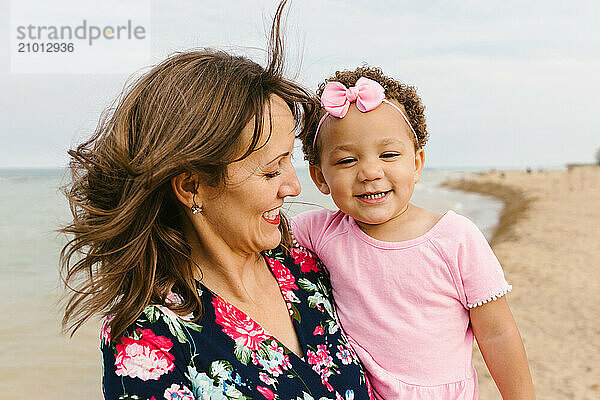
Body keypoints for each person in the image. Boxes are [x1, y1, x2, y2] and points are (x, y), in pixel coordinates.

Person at [58, 3, 373, 399]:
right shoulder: (147, 338)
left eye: (288, 162)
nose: (293, 187)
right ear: (191, 186)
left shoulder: (308, 269)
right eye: (271, 171)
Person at [292, 66, 536, 399]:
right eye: (347, 160)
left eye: (389, 155)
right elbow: (249, 233)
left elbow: (497, 333)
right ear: (319, 177)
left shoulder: (455, 238)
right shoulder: (320, 231)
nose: (370, 172)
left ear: (417, 163)